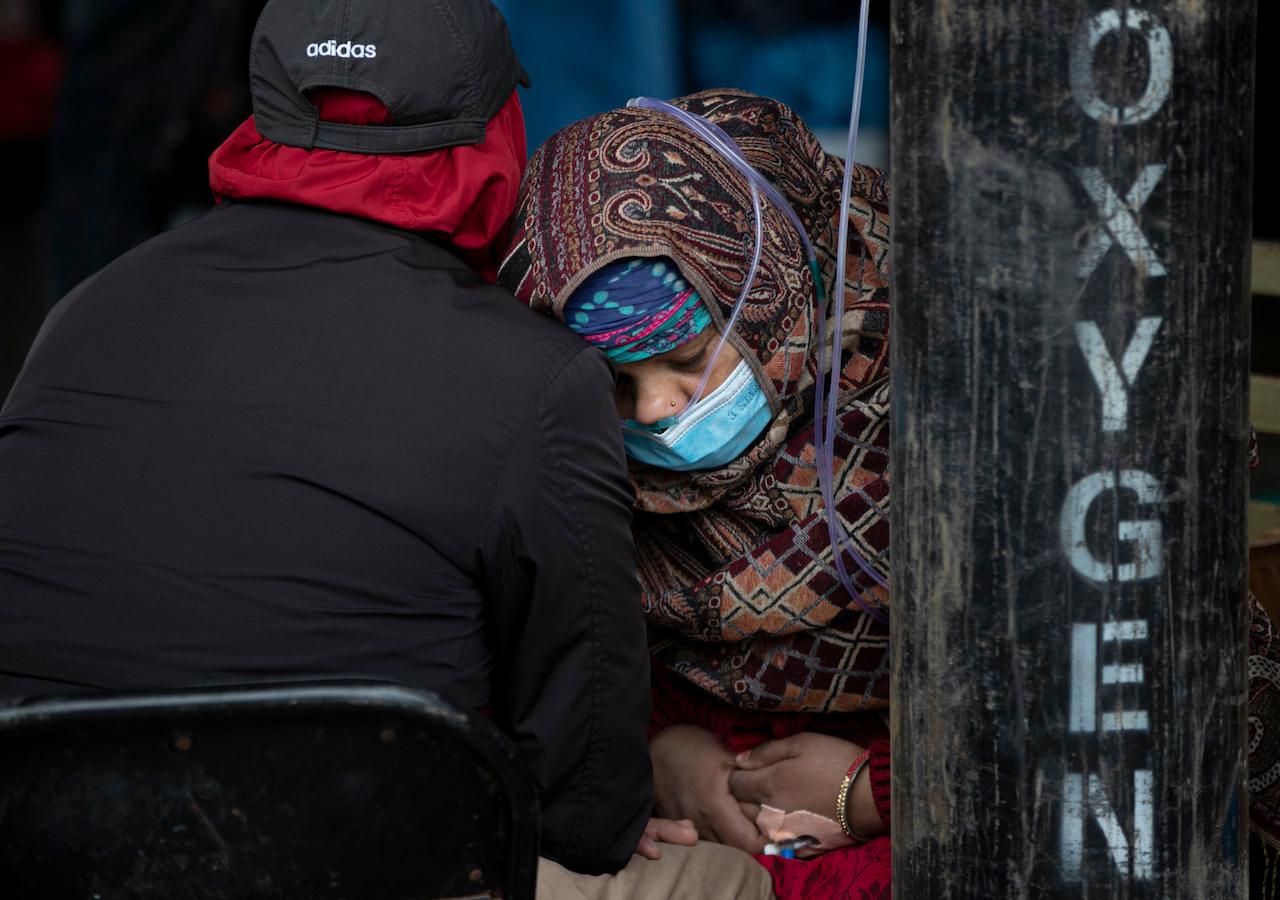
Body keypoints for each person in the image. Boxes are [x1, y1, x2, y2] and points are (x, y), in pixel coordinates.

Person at [0, 3, 779, 893]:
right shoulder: (530, 377)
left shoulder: (83, 314)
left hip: (55, 858)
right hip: (355, 865)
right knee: (717, 880)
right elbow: (590, 805)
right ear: (493, 141)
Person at [499, 88, 894, 897]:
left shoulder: (981, 404)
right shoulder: (580, 478)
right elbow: (547, 691)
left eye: (686, 359)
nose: (653, 413)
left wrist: (885, 788)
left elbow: (1113, 704)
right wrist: (655, 755)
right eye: (613, 384)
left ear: (776, 285)